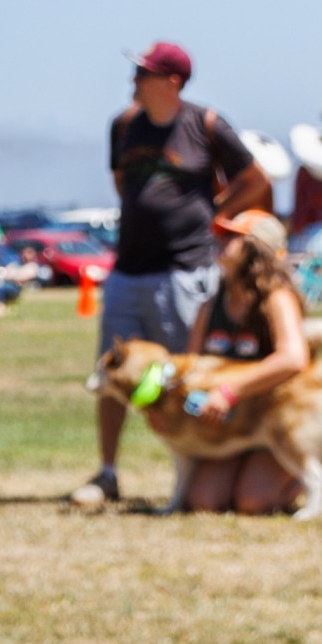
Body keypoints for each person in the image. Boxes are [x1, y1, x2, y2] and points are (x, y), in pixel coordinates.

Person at [76, 41, 262, 510]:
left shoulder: (206, 124)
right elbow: (123, 182)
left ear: (172, 82)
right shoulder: (123, 125)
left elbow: (256, 179)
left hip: (186, 269)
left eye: (143, 73)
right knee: (111, 372)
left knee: (186, 371)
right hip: (129, 267)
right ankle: (109, 471)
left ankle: (193, 466)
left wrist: (215, 214)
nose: (134, 80)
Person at [172, 211, 317, 514]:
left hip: (272, 421)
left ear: (257, 247)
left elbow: (293, 357)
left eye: (232, 236)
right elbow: (192, 369)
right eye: (221, 235)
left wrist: (229, 391)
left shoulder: (276, 298)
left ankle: (305, 479)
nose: (221, 241)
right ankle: (244, 469)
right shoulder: (210, 305)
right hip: (229, 429)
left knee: (253, 502)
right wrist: (172, 407)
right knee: (204, 502)